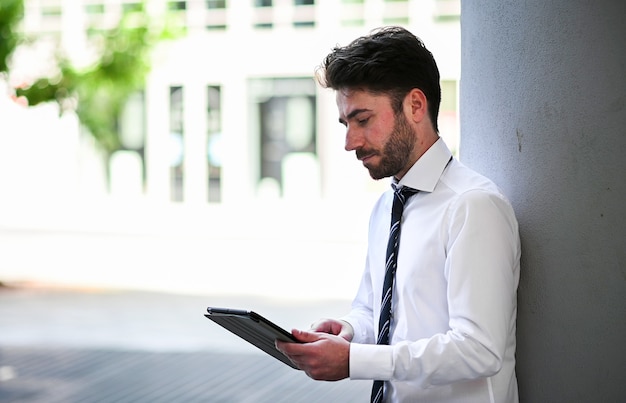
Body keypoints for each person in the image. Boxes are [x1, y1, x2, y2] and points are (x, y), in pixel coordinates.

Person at [276, 26, 521, 403]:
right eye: (346, 124)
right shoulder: (386, 206)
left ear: (416, 106)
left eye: (362, 120)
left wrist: (355, 360)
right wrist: (349, 332)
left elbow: (479, 349)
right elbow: (375, 310)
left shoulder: (473, 206)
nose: (349, 143)